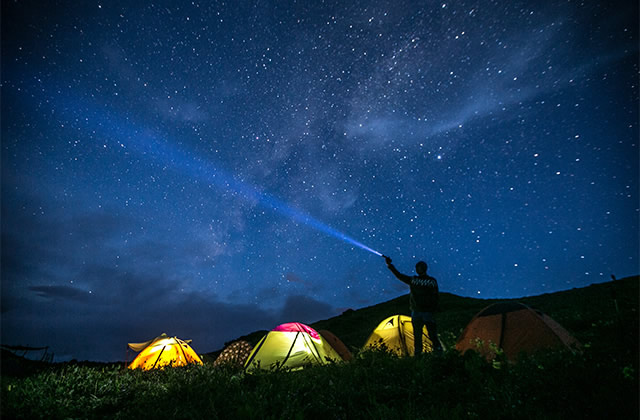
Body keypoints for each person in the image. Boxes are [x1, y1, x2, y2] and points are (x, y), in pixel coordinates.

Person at [383, 255, 442, 355]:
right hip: (419, 312)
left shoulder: (423, 281)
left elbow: (435, 296)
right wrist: (390, 265)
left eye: (419, 268)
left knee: (428, 336)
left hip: (423, 312)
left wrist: (433, 309)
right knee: (421, 336)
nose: (417, 269)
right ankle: (430, 355)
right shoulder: (424, 280)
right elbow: (399, 275)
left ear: (423, 269)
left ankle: (432, 355)